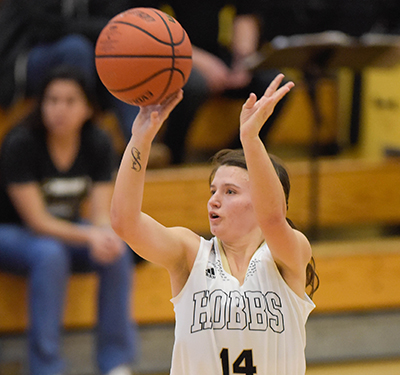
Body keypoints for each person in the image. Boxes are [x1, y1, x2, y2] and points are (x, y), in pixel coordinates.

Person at [110, 73, 319, 374]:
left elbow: (272, 219)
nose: (214, 201)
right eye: (213, 191)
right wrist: (140, 138)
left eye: (230, 191)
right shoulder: (190, 253)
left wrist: (250, 138)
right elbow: (124, 223)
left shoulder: (289, 254)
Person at [0, 66, 136, 375]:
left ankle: (116, 362)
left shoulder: (98, 141)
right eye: (52, 100)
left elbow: (101, 213)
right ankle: (46, 367)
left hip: (64, 232)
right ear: (41, 104)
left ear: (88, 107)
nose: (59, 109)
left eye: (70, 101)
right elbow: (37, 221)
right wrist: (90, 237)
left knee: (117, 250)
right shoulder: (21, 142)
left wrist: (102, 235)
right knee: (49, 254)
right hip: (13, 232)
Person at [127, 0, 290, 164]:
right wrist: (204, 63)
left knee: (276, 84)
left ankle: (239, 154)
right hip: (166, 56)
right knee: (192, 86)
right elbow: (147, 30)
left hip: (217, 54)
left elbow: (245, 14)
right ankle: (173, 156)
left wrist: (242, 61)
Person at [0, 0, 140, 143]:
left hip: (78, 48)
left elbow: (112, 15)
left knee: (120, 53)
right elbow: (48, 27)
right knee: (77, 49)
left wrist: (120, 29)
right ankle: (83, 139)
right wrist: (110, 28)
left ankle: (140, 140)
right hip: (21, 57)